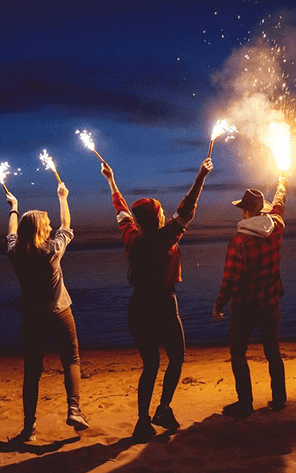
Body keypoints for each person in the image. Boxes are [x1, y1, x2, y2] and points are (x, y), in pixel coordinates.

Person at [102, 157, 212, 441]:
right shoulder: (163, 239)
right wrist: (201, 175)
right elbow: (188, 208)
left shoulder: (132, 236)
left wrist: (111, 180)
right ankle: (163, 409)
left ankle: (142, 421)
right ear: (157, 218)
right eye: (162, 212)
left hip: (138, 308)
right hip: (162, 306)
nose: (166, 214)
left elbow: (121, 209)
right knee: (177, 357)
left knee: (150, 365)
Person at [5, 182, 89, 443]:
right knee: (71, 359)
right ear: (41, 230)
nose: (51, 226)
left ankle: (29, 429)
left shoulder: (15, 252)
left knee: (32, 371)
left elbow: (11, 233)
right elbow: (66, 225)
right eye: (47, 224)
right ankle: (74, 409)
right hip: (59, 312)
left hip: (32, 318)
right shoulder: (52, 251)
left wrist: (14, 208)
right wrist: (63, 197)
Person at [212, 175, 287, 419]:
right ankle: (279, 399)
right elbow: (279, 204)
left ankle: (245, 404)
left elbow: (230, 279)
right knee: (272, 351)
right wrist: (282, 184)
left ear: (245, 213)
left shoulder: (238, 242)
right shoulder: (276, 227)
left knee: (238, 353)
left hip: (244, 308)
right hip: (270, 303)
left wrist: (218, 304)